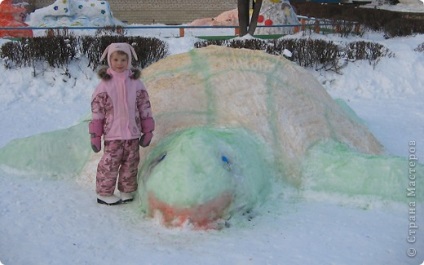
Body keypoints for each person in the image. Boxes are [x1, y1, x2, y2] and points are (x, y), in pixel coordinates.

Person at [89, 43, 155, 205]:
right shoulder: (104, 85)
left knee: (130, 164)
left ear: (129, 60)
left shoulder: (136, 83)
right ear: (109, 60)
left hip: (132, 133)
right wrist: (95, 135)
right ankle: (104, 193)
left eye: (123, 60)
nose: (119, 63)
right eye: (116, 59)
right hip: (113, 134)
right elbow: (97, 111)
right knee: (110, 164)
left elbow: (144, 106)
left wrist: (148, 131)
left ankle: (127, 191)